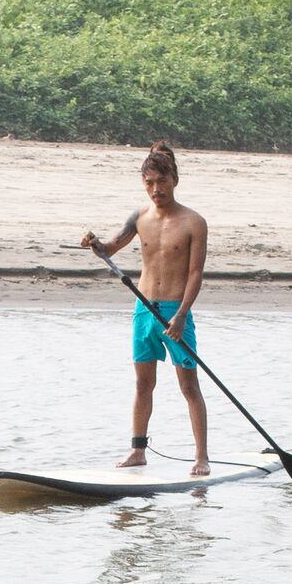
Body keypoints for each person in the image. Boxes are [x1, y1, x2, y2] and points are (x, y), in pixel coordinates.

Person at [81, 141, 210, 472]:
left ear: (174, 180)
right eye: (149, 183)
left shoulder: (194, 222)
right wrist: (95, 244)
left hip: (175, 313)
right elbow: (110, 248)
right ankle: (138, 451)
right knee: (143, 384)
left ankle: (201, 458)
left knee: (189, 386)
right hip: (144, 311)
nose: (156, 190)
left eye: (161, 182)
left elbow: (196, 274)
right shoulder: (140, 218)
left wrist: (181, 315)